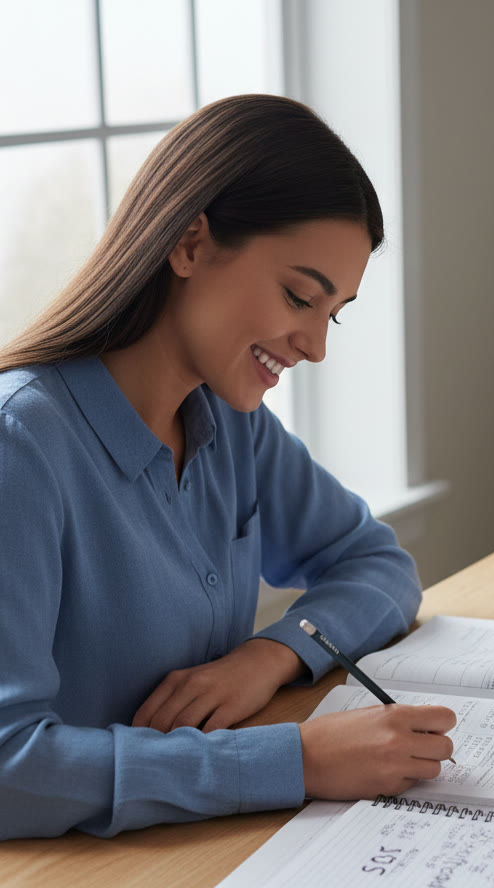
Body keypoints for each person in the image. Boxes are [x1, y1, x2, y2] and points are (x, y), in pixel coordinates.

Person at [0, 94, 456, 840]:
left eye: (332, 312)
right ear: (188, 244)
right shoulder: (20, 447)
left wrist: (271, 654)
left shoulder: (233, 425)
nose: (314, 344)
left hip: (195, 851)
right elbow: (7, 766)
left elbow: (378, 564)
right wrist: (291, 761)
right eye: (298, 296)